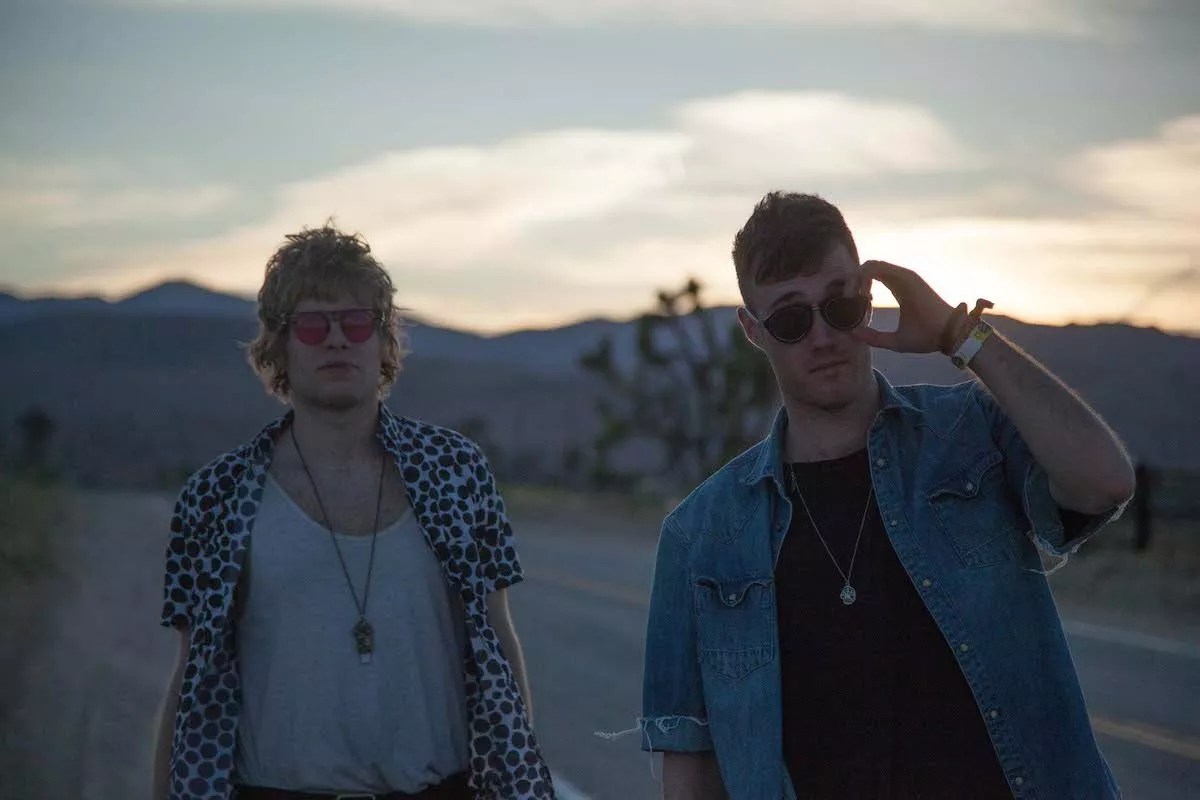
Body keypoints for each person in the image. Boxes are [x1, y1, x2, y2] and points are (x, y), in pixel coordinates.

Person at [640, 192, 1135, 799]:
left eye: (840, 305)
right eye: (791, 320)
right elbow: (690, 775)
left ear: (868, 298)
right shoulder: (698, 535)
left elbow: (1105, 482)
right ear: (753, 331)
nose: (823, 337)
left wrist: (960, 333)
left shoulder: (969, 435)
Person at [151, 224, 554, 800]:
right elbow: (190, 681)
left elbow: (499, 641)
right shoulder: (216, 496)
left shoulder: (456, 471)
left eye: (357, 322)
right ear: (279, 346)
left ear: (384, 341)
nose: (337, 340)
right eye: (313, 326)